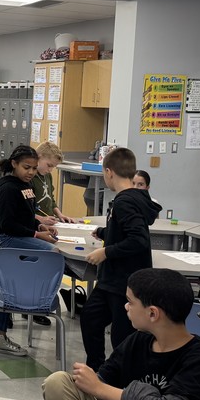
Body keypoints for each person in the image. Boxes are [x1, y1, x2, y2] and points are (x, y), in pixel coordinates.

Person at [43, 268, 200, 400]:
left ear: (152, 314)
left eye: (130, 302)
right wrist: (89, 382)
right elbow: (102, 379)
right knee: (58, 383)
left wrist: (100, 389)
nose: (125, 307)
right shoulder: (138, 340)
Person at [80, 147, 159, 370]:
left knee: (122, 338)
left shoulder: (125, 202)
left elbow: (138, 240)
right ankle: (97, 370)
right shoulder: (132, 199)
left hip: (124, 282)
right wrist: (106, 233)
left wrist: (104, 252)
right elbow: (129, 230)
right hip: (111, 281)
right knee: (90, 318)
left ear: (109, 172)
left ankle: (120, 383)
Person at [0, 144, 59, 356]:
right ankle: (34, 302)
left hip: (22, 235)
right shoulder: (9, 188)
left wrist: (39, 226)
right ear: (14, 164)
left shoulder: (24, 186)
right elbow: (9, 224)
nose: (30, 172)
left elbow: (27, 216)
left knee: (17, 276)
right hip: (8, 239)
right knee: (52, 254)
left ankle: (29, 300)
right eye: (26, 167)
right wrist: (37, 235)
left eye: (34, 168)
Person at [29, 141, 74, 225]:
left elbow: (50, 199)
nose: (50, 170)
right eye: (49, 165)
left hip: (48, 221)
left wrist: (60, 215)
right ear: (38, 157)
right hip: (35, 223)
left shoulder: (47, 176)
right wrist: (41, 219)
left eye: (53, 167)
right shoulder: (29, 178)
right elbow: (22, 210)